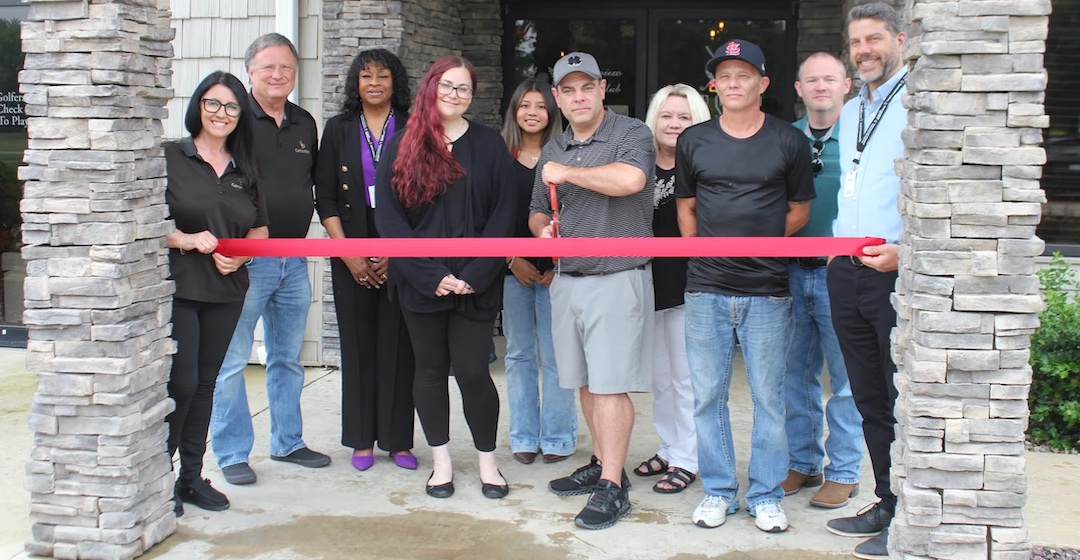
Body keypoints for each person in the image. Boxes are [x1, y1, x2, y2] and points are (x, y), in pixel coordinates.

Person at [675, 39, 814, 533]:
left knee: (769, 398)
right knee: (707, 396)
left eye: (743, 75)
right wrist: (707, 254)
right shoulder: (694, 140)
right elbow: (686, 209)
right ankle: (718, 491)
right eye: (724, 77)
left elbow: (800, 210)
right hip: (706, 287)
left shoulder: (789, 141)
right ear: (714, 85)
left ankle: (766, 495)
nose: (733, 84)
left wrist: (758, 246)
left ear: (762, 83)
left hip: (768, 288)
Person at [374, 55, 516, 500]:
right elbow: (389, 219)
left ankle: (488, 463)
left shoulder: (489, 144)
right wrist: (429, 274)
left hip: (477, 282)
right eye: (448, 86)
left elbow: (505, 212)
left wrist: (477, 272)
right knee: (431, 370)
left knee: (473, 370)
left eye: (464, 88)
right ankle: (441, 464)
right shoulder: (403, 144)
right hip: (422, 282)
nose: (455, 95)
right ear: (431, 87)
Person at [529, 52, 656, 530]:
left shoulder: (631, 133)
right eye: (568, 90)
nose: (578, 97)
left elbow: (631, 180)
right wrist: (542, 230)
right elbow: (537, 209)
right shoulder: (554, 146)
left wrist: (567, 173)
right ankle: (606, 465)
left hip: (616, 275)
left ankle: (611, 488)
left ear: (603, 89)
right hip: (568, 278)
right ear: (557, 97)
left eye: (587, 87)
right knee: (584, 381)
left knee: (609, 385)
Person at [209, 33, 330, 488]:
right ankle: (232, 453)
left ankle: (288, 442)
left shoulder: (304, 123)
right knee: (231, 360)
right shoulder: (234, 118)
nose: (278, 75)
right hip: (246, 260)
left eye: (286, 67)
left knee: (287, 358)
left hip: (293, 258)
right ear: (250, 71)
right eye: (268, 67)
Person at [164, 71, 267, 515]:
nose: (221, 113)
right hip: (180, 290)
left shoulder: (246, 167)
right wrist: (186, 239)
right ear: (198, 106)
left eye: (231, 106)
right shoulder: (172, 156)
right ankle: (158, 479)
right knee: (181, 384)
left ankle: (191, 478)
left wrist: (242, 256)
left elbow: (260, 230)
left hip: (227, 291)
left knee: (205, 386)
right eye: (213, 103)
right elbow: (143, 220)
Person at [825, 4, 908, 559]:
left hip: (894, 273)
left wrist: (906, 251)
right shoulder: (853, 108)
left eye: (873, 39)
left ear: (900, 40)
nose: (864, 51)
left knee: (901, 395)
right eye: (856, 42)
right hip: (847, 270)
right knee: (868, 396)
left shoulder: (921, 102)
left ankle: (912, 510)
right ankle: (887, 500)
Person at [315, 48, 418, 473]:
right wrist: (348, 253)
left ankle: (398, 441)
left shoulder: (413, 126)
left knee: (400, 348)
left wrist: (398, 252)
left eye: (383, 75)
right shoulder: (338, 128)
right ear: (355, 84)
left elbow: (424, 196)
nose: (374, 83)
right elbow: (325, 196)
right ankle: (361, 439)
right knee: (357, 346)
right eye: (366, 76)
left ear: (396, 82)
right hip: (350, 250)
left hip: (402, 251)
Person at [783, 52, 863, 509]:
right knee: (795, 375)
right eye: (811, 80)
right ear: (799, 88)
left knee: (847, 379)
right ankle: (803, 462)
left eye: (829, 79)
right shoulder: (785, 138)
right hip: (791, 271)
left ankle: (845, 471)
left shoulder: (861, 136)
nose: (820, 87)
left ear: (846, 85)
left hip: (844, 273)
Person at [632, 84, 711, 494]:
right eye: (667, 115)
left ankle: (688, 458)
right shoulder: (639, 164)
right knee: (660, 378)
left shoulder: (705, 165)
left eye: (684, 116)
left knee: (685, 379)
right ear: (654, 119)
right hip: (647, 285)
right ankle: (669, 447)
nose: (674, 123)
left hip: (689, 286)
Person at [500, 78, 577, 466]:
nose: (532, 112)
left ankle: (559, 438)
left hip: (557, 271)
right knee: (518, 355)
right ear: (514, 110)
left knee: (558, 355)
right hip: (511, 269)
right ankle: (524, 436)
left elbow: (578, 214)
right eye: (525, 105)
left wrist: (559, 264)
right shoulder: (499, 155)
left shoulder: (566, 155)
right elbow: (486, 214)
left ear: (552, 111)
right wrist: (510, 258)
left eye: (541, 106)